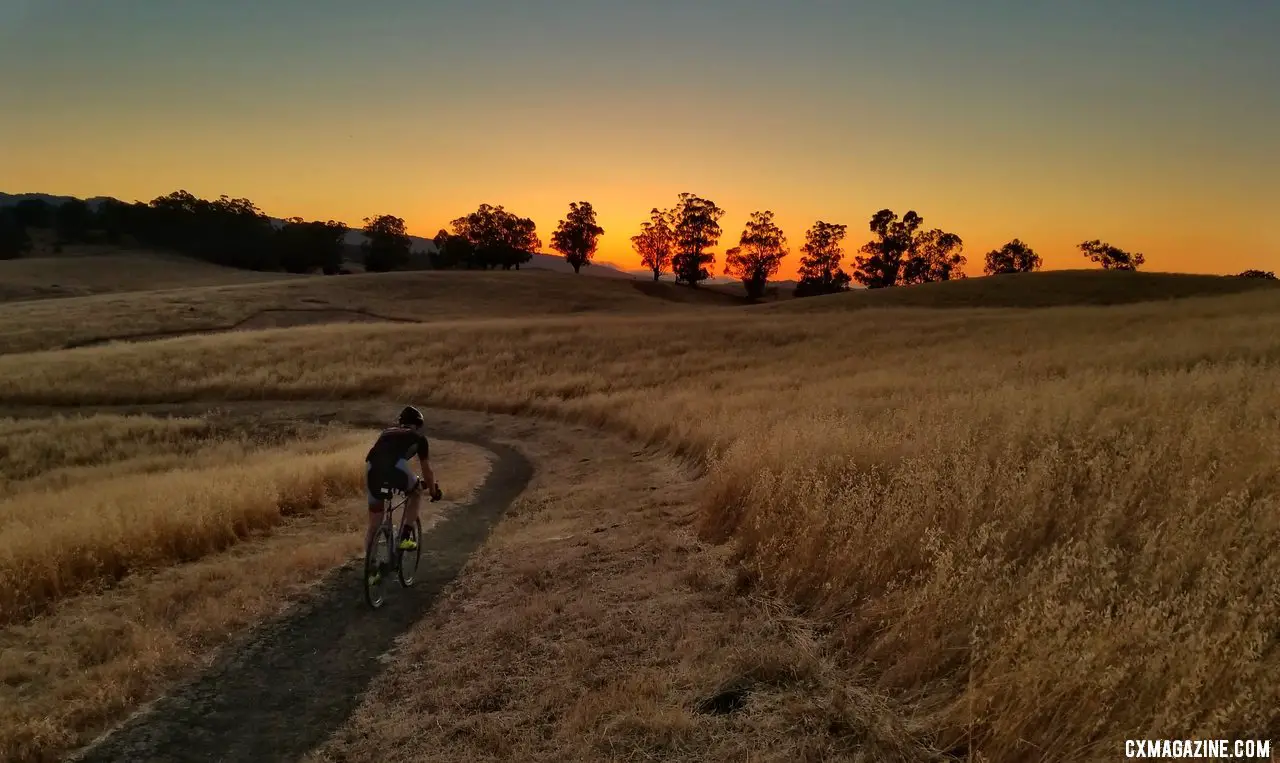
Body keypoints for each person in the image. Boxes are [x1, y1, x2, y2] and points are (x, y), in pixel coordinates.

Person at [364, 405, 442, 557]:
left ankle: (371, 570)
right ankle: (404, 537)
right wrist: (433, 491)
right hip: (395, 468)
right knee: (416, 492)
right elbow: (427, 470)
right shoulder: (419, 438)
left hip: (371, 468)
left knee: (374, 524)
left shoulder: (386, 432)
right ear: (418, 425)